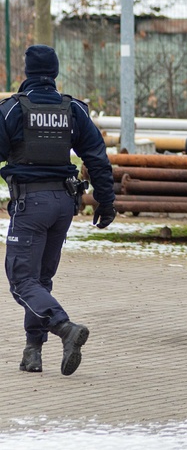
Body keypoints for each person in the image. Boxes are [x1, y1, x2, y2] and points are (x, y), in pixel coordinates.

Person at [0, 44, 116, 376]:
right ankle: (32, 352)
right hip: (64, 204)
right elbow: (97, 157)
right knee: (40, 280)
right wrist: (105, 202)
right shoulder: (73, 109)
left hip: (30, 204)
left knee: (22, 281)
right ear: (55, 71)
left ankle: (66, 329)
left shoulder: (11, 110)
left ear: (26, 71)